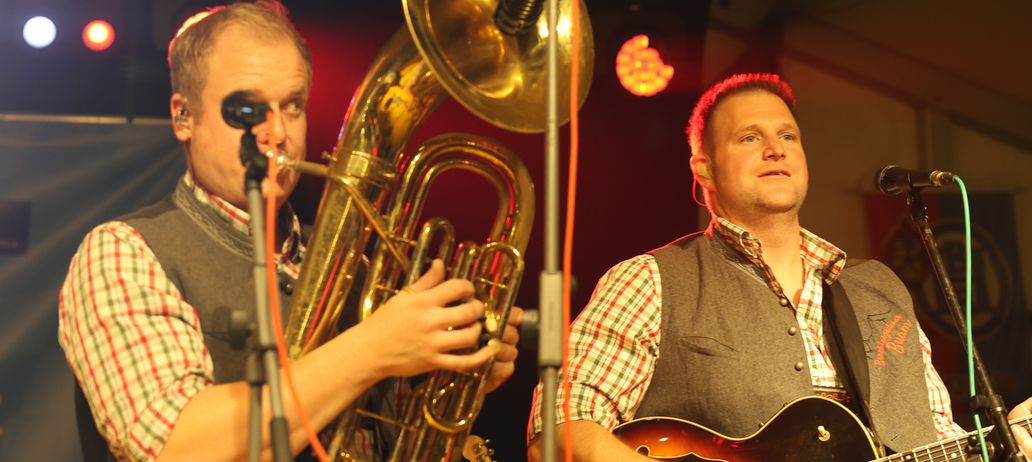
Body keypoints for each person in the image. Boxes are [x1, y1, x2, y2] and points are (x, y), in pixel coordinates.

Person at [57, 2, 522, 460]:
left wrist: (454, 373)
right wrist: (373, 348)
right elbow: (175, 444)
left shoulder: (356, 265)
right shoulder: (124, 251)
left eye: (293, 106)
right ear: (183, 117)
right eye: (247, 109)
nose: (277, 133)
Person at [526, 73, 1032, 460]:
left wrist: (1005, 445)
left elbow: (938, 434)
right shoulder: (650, 279)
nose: (775, 149)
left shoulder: (878, 287)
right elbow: (559, 424)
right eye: (749, 138)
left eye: (788, 136)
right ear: (703, 168)